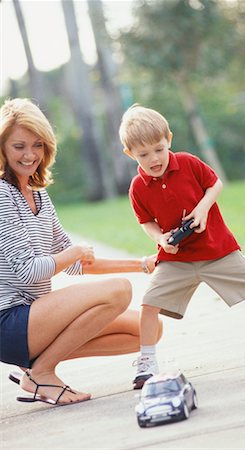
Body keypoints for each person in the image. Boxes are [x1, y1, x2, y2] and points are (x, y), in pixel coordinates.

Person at [119, 104, 245, 389]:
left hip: (216, 250)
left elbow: (214, 184)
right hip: (176, 259)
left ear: (169, 140)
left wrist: (202, 210)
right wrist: (160, 239)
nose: (154, 158)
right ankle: (147, 362)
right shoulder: (137, 187)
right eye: (143, 154)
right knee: (148, 303)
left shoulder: (188, 163)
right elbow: (145, 221)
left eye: (159, 149)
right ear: (130, 154)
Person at [0, 98, 162, 406]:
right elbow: (29, 270)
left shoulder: (38, 195)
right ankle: (43, 373)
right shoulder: (1, 195)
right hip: (8, 322)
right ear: (2, 147)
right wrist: (70, 255)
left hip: (35, 320)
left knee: (144, 331)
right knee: (119, 291)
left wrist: (142, 264)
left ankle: (36, 367)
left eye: (37, 144)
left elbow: (78, 264)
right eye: (19, 146)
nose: (30, 155)